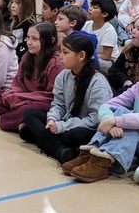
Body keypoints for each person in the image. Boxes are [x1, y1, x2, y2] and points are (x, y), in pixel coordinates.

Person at [65, 53, 139, 182]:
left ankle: (102, 162)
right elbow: (108, 105)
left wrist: (116, 121)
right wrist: (110, 123)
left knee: (135, 123)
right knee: (122, 111)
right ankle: (91, 152)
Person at [19, 33, 113, 165]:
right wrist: (52, 119)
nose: (60, 56)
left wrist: (62, 126)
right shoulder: (64, 75)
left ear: (81, 56)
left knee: (73, 136)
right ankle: (62, 151)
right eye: (60, 51)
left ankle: (50, 142)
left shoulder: (98, 83)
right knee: (29, 113)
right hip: (64, 122)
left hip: (85, 128)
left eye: (65, 52)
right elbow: (58, 103)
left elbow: (96, 120)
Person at [0, 22, 63, 129]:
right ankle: (21, 122)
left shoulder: (56, 64)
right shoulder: (27, 56)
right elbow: (18, 82)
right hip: (22, 98)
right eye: (28, 38)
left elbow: (51, 96)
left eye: (34, 39)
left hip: (41, 102)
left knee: (28, 109)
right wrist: (14, 94)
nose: (29, 43)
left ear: (51, 40)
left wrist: (20, 98)